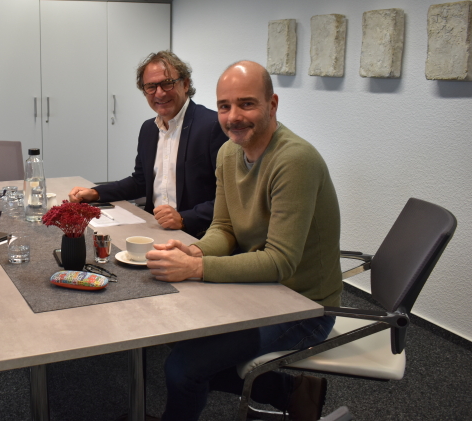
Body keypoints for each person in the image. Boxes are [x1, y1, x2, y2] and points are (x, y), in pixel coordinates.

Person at [146, 61, 343, 421]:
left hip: (304, 306)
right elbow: (224, 228)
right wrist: (194, 249)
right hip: (263, 291)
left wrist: (196, 266)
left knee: (182, 368)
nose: (233, 116)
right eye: (225, 106)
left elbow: (279, 261)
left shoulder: (295, 160)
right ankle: (291, 391)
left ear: (273, 105)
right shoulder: (228, 153)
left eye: (246, 104)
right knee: (172, 336)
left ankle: (287, 391)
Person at [68, 51, 227, 238]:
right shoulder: (148, 129)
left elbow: (229, 198)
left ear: (185, 84)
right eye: (151, 87)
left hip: (196, 234)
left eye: (167, 83)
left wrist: (185, 219)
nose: (159, 93)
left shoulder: (213, 126)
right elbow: (140, 182)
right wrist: (96, 192)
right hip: (152, 228)